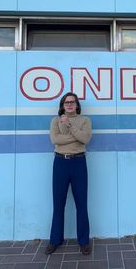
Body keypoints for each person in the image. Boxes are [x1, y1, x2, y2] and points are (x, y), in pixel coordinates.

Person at [45, 92, 92, 255]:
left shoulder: (85, 120)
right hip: (60, 163)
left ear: (77, 105)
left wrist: (70, 126)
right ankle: (55, 240)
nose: (70, 105)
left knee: (82, 204)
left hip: (79, 163)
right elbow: (55, 140)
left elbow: (85, 139)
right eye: (66, 103)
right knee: (58, 204)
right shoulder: (55, 120)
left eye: (72, 102)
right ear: (62, 106)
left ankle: (84, 241)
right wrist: (75, 136)